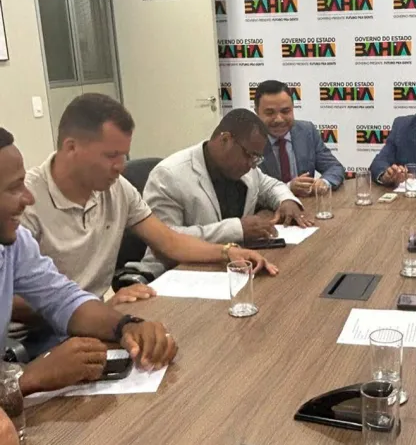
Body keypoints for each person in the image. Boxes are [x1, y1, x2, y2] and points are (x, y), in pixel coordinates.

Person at [17, 95, 275, 356]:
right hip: (35, 338)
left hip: (94, 321)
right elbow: (12, 299)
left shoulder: (116, 189)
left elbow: (169, 241)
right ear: (71, 147)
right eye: (111, 155)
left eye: (124, 155)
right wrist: (93, 307)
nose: (120, 167)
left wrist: (228, 252)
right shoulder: (22, 202)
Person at [0, 128, 177, 396]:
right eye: (14, 188)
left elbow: (62, 298)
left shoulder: (14, 243)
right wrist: (27, 379)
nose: (29, 198)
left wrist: (127, 326)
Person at [137, 108, 310, 278]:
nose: (252, 165)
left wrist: (286, 200)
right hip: (178, 274)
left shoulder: (245, 168)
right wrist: (236, 229)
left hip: (232, 267)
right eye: (249, 155)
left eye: (256, 158)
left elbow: (269, 186)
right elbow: (165, 239)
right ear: (225, 139)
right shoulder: (169, 175)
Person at [254, 80, 345, 197]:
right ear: (257, 113)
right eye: (270, 113)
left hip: (308, 206)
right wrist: (288, 188)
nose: (279, 119)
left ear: (293, 108)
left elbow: (335, 167)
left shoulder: (307, 131)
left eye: (285, 111)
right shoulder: (249, 141)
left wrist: (324, 182)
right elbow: (250, 192)